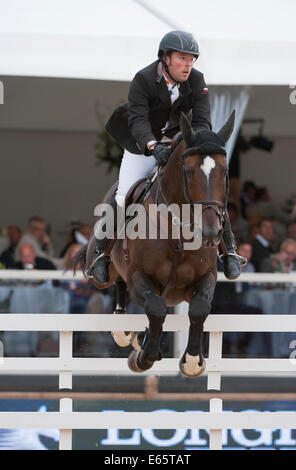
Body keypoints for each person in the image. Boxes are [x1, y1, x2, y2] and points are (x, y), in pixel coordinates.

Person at [89, 30, 246, 283]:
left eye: (191, 59)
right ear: (166, 58)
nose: (188, 65)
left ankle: (229, 252)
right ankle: (101, 254)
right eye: (182, 58)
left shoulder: (196, 80)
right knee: (123, 194)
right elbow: (138, 120)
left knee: (207, 189)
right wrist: (152, 145)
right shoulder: (143, 79)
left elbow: (202, 120)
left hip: (177, 143)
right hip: (142, 142)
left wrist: (192, 146)